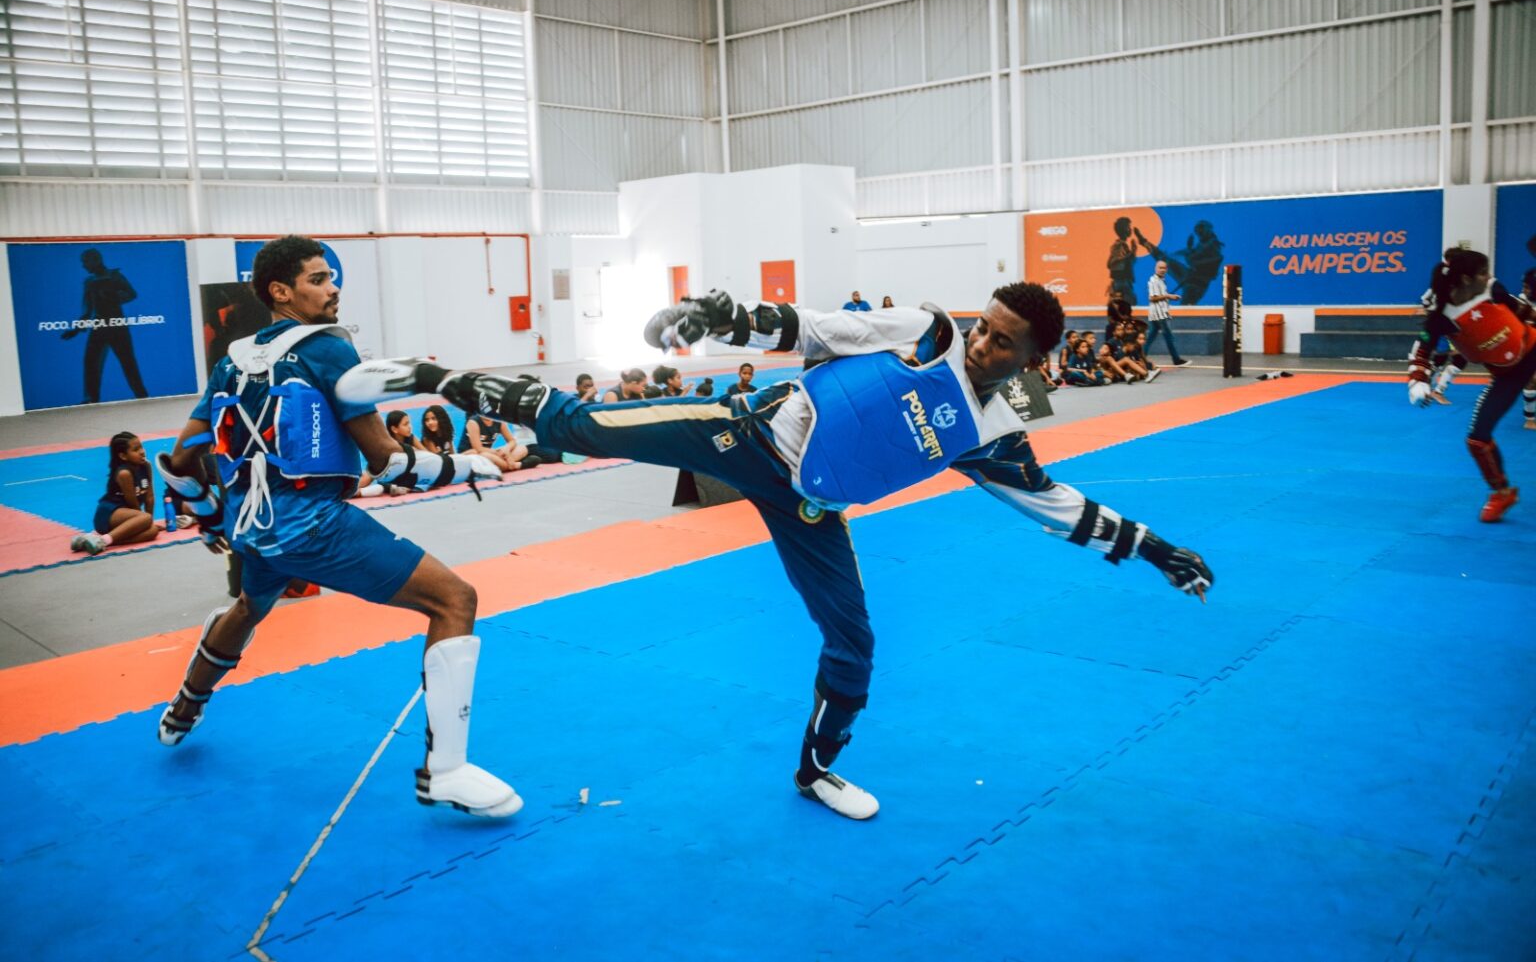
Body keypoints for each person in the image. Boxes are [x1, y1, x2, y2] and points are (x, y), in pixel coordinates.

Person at [340, 284, 1213, 821]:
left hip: (811, 507)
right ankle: (429, 375)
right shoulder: (926, 332)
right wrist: (719, 316)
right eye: (985, 326)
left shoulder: (994, 430)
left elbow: (1055, 504)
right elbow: (813, 326)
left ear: (1031, 358)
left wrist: (1157, 548)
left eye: (1004, 341)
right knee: (580, 425)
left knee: (854, 646)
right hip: (743, 436)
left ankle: (817, 771)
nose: (984, 344)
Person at [152, 234, 519, 818]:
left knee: (247, 608)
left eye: (331, 277)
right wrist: (473, 464)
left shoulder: (232, 359)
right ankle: (446, 771)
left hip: (253, 532)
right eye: (318, 279)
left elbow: (180, 459)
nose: (333, 287)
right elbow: (390, 464)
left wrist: (208, 517)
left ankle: (182, 711)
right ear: (281, 291)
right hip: (314, 527)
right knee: (455, 600)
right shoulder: (328, 348)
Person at [1407, 248, 1536, 522]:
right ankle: (1502, 493)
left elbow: (1521, 310)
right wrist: (1417, 381)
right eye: (1483, 272)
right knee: (1478, 439)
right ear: (1466, 279)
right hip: (1507, 375)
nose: (1489, 276)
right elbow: (1423, 348)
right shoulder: (1442, 315)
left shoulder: (1492, 289)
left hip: (1533, 347)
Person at [62, 248, 150, 403]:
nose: (84, 266)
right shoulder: (89, 282)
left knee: (128, 362)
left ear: (96, 260)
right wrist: (76, 329)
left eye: (85, 262)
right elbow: (87, 310)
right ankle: (91, 399)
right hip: (99, 326)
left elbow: (132, 294)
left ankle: (141, 395)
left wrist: (114, 297)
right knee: (91, 362)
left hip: (117, 326)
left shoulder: (115, 276)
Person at [72, 431, 162, 556]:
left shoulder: (146, 466)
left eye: (141, 447)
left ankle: (93, 540)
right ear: (123, 456)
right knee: (146, 518)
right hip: (109, 514)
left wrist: (148, 524)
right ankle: (102, 541)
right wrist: (144, 522)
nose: (142, 452)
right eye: (136, 449)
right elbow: (133, 505)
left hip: (129, 517)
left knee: (152, 532)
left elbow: (149, 497)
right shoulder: (124, 474)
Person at [459, 411, 535, 472]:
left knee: (522, 448)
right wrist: (501, 454)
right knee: (480, 454)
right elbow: (478, 449)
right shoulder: (473, 422)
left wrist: (506, 449)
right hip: (472, 454)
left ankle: (505, 465)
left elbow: (512, 441)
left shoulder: (499, 421)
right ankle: (515, 465)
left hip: (490, 453)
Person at [1145, 260, 1188, 366]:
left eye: (1164, 268)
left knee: (1151, 337)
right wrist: (1169, 296)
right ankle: (1176, 360)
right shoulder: (1154, 281)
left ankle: (1140, 356)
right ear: (1156, 268)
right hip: (1159, 314)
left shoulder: (1161, 281)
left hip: (1159, 313)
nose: (1162, 270)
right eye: (1160, 268)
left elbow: (1160, 296)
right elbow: (1152, 298)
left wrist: (1168, 296)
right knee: (1169, 337)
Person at [1106, 217, 1137, 306]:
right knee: (1130, 302)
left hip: (1123, 280)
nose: (1130, 229)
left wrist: (1133, 251)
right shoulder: (1119, 245)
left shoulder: (1123, 245)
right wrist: (1132, 251)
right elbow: (1116, 261)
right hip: (1121, 280)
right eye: (1128, 227)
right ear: (1123, 229)